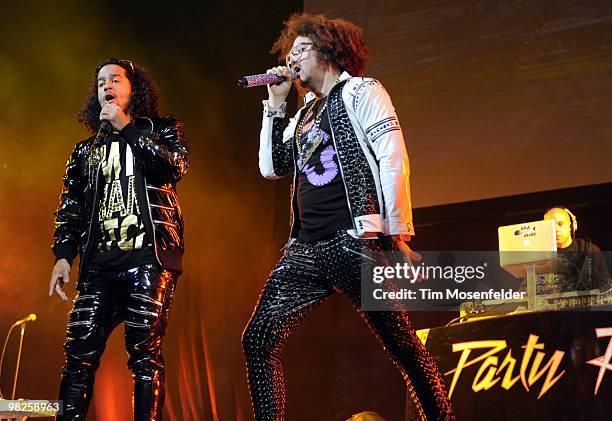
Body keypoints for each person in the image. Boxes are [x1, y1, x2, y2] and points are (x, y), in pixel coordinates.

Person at [241, 14, 455, 421]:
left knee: (402, 346)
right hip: (304, 249)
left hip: (353, 240)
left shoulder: (362, 91)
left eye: (300, 50)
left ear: (327, 52)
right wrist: (273, 106)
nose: (292, 59)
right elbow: (272, 168)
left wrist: (396, 234)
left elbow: (393, 159)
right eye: (290, 52)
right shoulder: (303, 114)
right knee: (258, 340)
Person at [48, 58, 189, 421]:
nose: (106, 86)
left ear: (134, 88)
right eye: (100, 82)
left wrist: (126, 128)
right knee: (78, 353)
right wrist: (63, 255)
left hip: (148, 258)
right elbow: (71, 207)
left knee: (144, 353)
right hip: (99, 266)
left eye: (115, 79)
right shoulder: (85, 151)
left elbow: (173, 168)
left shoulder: (164, 129)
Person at [544, 206, 611, 292]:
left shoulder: (589, 250)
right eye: (551, 225)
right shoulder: (541, 255)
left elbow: (605, 284)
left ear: (571, 226)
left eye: (560, 224)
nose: (556, 229)